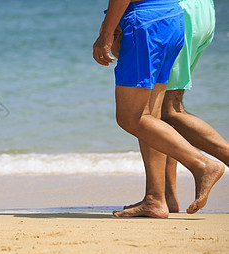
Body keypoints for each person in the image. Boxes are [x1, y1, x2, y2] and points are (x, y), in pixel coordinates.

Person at [92, 0, 224, 218]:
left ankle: (202, 165)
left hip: (145, 22)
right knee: (152, 116)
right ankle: (155, 199)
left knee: (131, 118)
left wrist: (106, 32)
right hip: (170, 17)